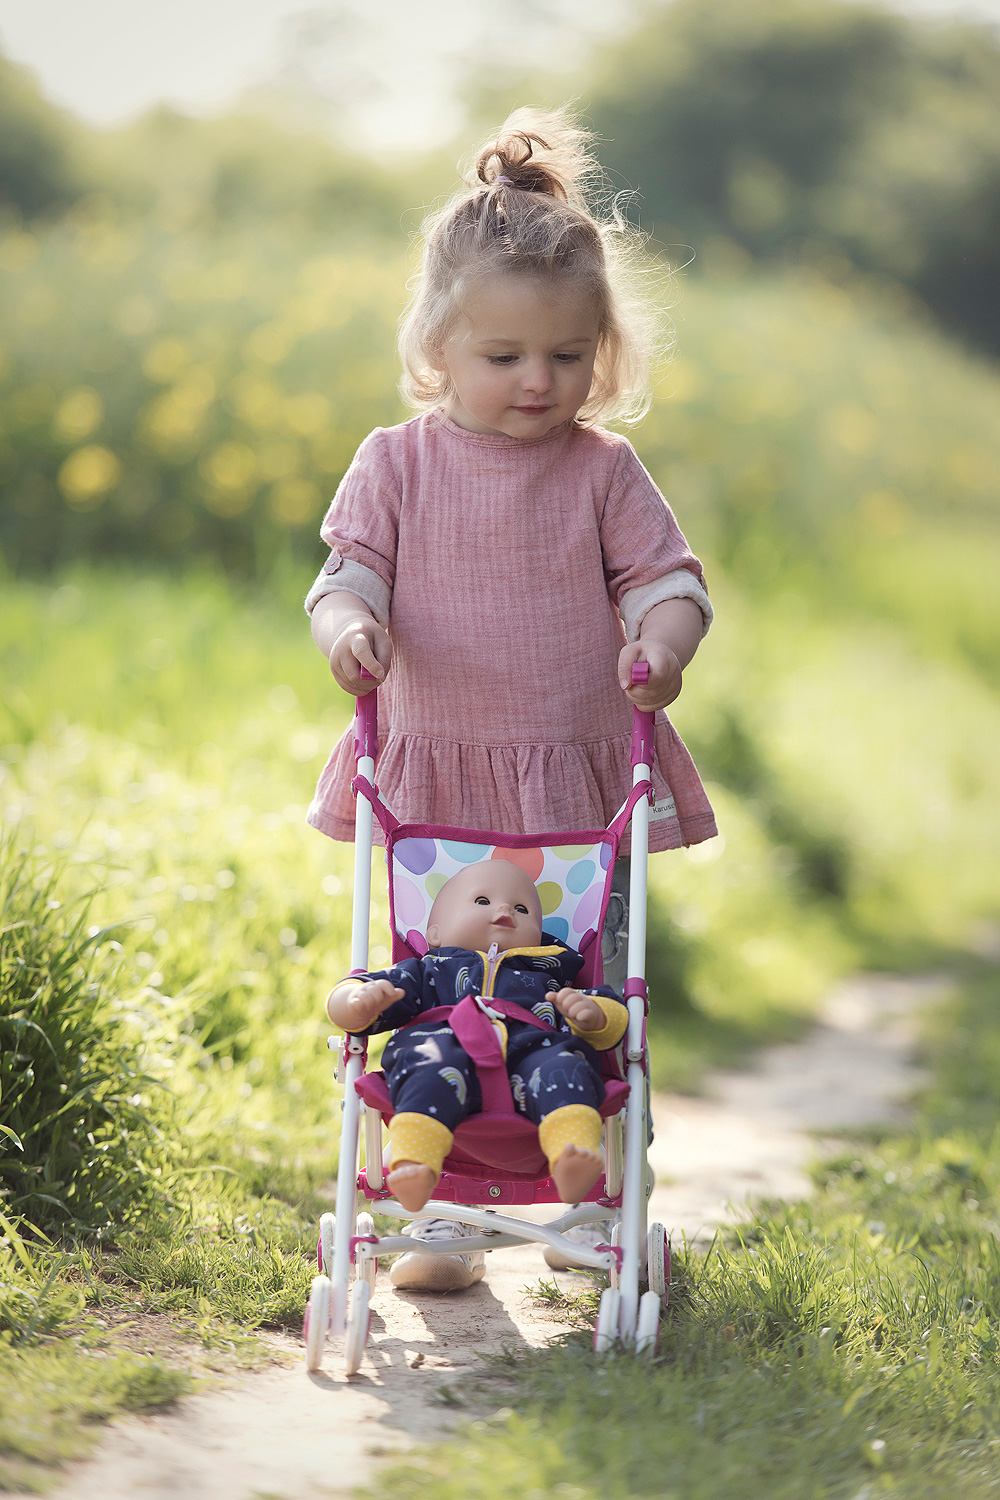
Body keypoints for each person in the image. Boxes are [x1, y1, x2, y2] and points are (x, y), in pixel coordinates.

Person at [306, 105, 715, 1290]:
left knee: (589, 999)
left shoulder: (603, 473)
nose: (540, 383)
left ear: (603, 350)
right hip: (436, 776)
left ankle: (596, 1194)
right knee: (432, 1004)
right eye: (504, 359)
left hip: (582, 783)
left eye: (568, 357)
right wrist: (352, 630)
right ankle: (441, 1212)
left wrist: (661, 638)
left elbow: (668, 579)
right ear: (439, 347)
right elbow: (346, 578)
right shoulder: (397, 462)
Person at [325, 860, 627, 1213]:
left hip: (530, 1054)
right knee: (425, 1065)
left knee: (564, 1066)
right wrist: (358, 1001)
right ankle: (415, 1163)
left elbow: (613, 1019)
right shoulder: (427, 971)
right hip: (445, 1048)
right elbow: (355, 1003)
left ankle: (572, 1153)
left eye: (522, 908)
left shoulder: (552, 976)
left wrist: (593, 1016)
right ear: (434, 933)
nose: (504, 910)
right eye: (482, 901)